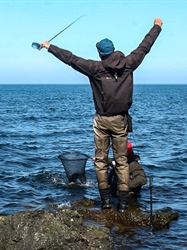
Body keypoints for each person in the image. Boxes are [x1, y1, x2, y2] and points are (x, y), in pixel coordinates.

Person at [40, 17, 162, 212]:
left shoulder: (96, 68)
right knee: (122, 162)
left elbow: (71, 59)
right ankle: (122, 204)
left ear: (100, 53)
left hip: (102, 121)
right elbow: (145, 46)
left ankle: (105, 202)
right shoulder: (129, 63)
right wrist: (156, 26)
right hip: (120, 120)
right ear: (113, 50)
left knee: (101, 162)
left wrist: (49, 46)